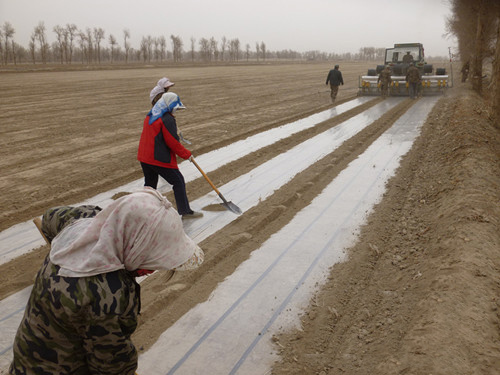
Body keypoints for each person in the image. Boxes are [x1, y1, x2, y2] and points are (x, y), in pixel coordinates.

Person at [9, 188, 204, 375]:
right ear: (133, 246)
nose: (150, 271)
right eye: (150, 261)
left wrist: (69, 246)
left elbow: (50, 217)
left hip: (26, 353)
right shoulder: (106, 296)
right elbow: (111, 367)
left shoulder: (84, 219)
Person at [137, 92, 203, 219]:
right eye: (175, 108)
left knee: (150, 186)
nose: (175, 110)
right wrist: (187, 155)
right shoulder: (167, 119)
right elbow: (172, 142)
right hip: (158, 158)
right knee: (178, 181)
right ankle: (185, 211)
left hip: (144, 157)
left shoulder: (151, 114)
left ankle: (143, 212)